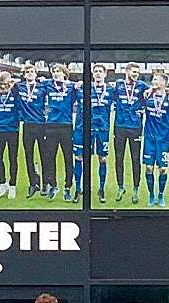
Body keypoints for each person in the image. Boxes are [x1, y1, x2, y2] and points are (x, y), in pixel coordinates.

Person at [111, 62, 148, 203]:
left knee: (135, 158)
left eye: (137, 73)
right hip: (119, 127)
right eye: (133, 72)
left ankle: (135, 189)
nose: (136, 75)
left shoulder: (142, 86)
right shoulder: (118, 85)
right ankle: (120, 187)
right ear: (126, 71)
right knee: (119, 158)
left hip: (135, 127)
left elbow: (156, 90)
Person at [141, 70, 169, 207]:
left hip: (164, 139)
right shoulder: (147, 94)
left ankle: (161, 195)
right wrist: (151, 88)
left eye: (156, 80)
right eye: (153, 80)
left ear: (163, 82)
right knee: (149, 168)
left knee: (162, 169)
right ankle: (151, 195)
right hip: (149, 138)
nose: (153, 82)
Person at [78, 63, 115, 203]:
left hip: (103, 129)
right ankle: (79, 188)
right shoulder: (84, 88)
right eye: (96, 71)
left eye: (100, 71)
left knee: (102, 159)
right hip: (87, 129)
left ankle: (101, 189)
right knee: (81, 158)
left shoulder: (111, 90)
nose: (98, 73)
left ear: (105, 74)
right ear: (92, 74)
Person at [42, 64, 79, 201]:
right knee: (50, 157)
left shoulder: (71, 87)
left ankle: (68, 187)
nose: (55, 73)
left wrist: (79, 84)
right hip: (51, 125)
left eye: (58, 71)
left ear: (65, 73)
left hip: (66, 126)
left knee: (68, 158)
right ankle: (53, 185)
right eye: (54, 71)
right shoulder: (47, 85)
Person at [16, 63, 46, 197]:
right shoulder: (19, 86)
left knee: (44, 155)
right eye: (27, 72)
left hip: (41, 124)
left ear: (36, 73)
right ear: (24, 74)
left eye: (32, 71)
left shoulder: (43, 86)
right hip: (27, 125)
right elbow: (3, 87)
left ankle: (45, 183)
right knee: (28, 155)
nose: (29, 73)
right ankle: (32, 183)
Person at [0, 71, 21, 199]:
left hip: (12, 129)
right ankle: (2, 183)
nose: (4, 85)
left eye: (6, 82)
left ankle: (12, 185)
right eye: (2, 82)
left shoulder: (15, 91)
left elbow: (19, 105)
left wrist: (15, 87)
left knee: (12, 158)